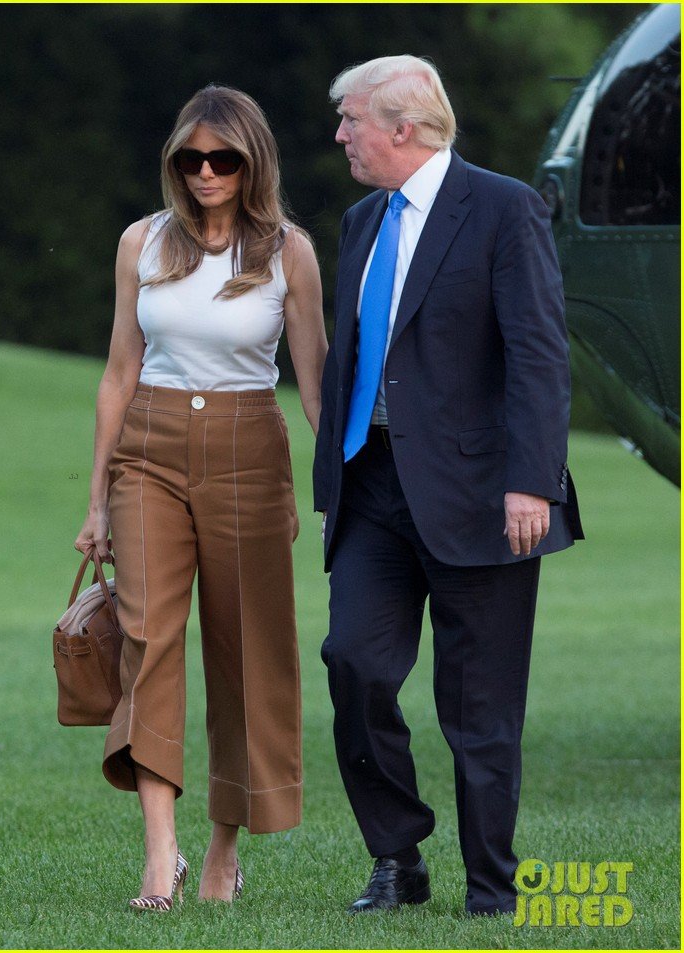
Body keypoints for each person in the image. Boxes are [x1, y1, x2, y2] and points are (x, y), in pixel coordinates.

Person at [313, 56, 584, 916]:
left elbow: (540, 351)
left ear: (403, 127)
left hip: (485, 494)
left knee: (480, 706)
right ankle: (398, 857)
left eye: (351, 120)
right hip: (373, 488)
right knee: (353, 663)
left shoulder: (505, 207)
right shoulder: (361, 220)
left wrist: (531, 481)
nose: (340, 136)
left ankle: (491, 889)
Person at [75, 85, 327, 911]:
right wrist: (96, 501)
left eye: (224, 159)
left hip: (251, 448)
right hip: (147, 447)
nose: (207, 171)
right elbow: (117, 373)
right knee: (147, 638)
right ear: (174, 164)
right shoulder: (141, 242)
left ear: (252, 162)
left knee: (246, 649)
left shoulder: (288, 252)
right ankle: (159, 857)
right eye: (192, 159)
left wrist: (338, 488)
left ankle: (223, 848)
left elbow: (316, 387)